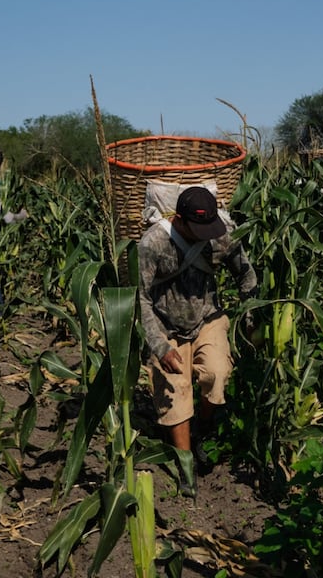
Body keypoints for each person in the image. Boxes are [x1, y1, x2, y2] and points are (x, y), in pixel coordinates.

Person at [138, 185, 257, 498]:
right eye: (197, 229)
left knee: (217, 374)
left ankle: (201, 430)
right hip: (165, 325)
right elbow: (141, 298)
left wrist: (250, 316)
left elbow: (246, 274)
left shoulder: (220, 236)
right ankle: (185, 464)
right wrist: (160, 346)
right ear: (178, 220)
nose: (206, 235)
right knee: (175, 391)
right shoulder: (153, 244)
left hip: (207, 318)